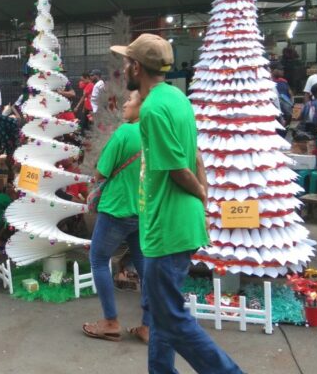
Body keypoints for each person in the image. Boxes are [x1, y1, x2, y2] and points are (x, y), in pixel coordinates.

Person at [112, 34, 243, 374]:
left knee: (171, 319)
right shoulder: (177, 98)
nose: (124, 67)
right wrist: (204, 194)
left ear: (137, 67)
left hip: (167, 226)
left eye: (127, 62)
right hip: (176, 222)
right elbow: (196, 154)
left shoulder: (154, 108)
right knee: (160, 314)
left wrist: (200, 192)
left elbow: (175, 169)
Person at [82, 90, 150, 344]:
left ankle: (110, 321)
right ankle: (148, 326)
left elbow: (101, 172)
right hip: (142, 210)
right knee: (145, 267)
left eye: (130, 100)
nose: (124, 104)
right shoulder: (155, 134)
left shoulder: (125, 132)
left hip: (117, 208)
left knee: (99, 259)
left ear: (142, 105)